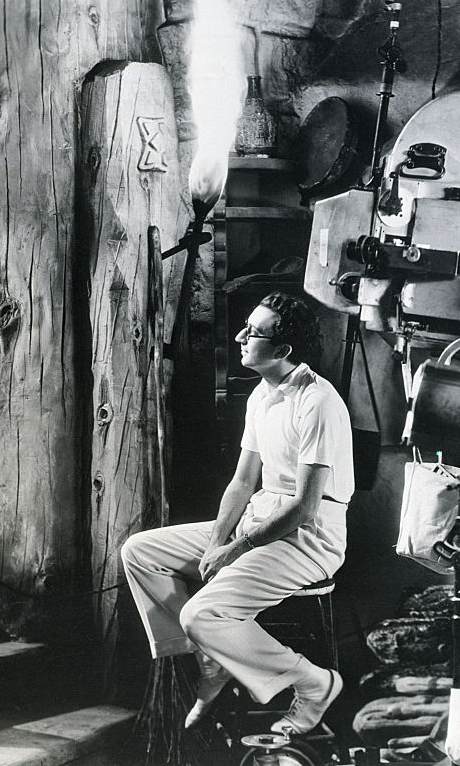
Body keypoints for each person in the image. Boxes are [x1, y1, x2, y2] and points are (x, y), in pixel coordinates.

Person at [121, 292, 354, 735]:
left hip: (309, 538)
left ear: (283, 351)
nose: (240, 336)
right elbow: (243, 483)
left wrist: (235, 550)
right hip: (260, 519)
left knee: (201, 615)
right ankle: (211, 660)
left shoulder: (317, 401)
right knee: (140, 552)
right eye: (246, 326)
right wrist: (215, 543)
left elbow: (304, 507)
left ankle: (314, 683)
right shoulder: (261, 397)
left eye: (254, 332)